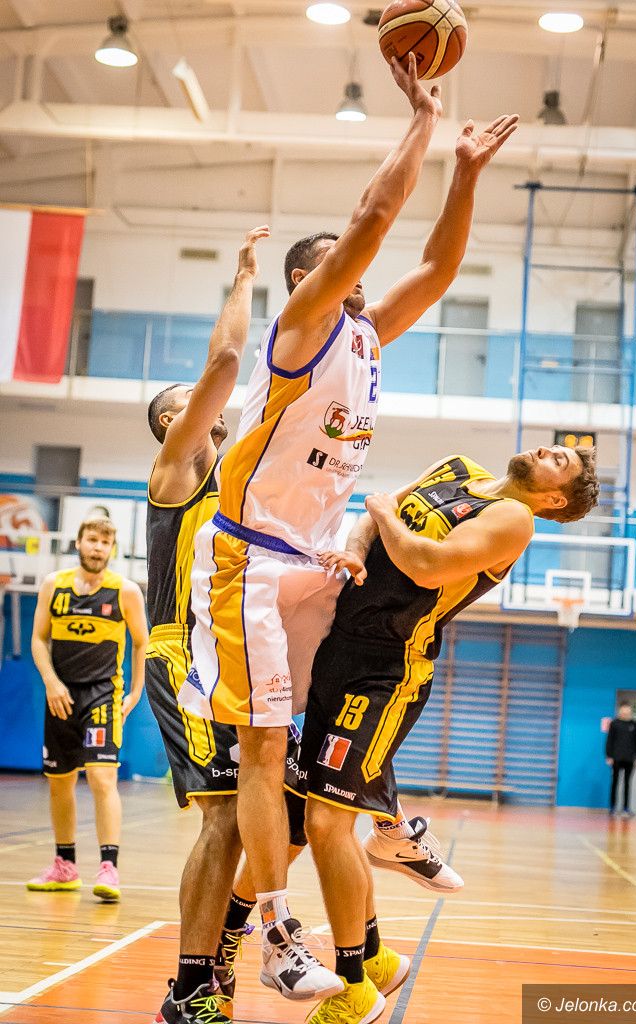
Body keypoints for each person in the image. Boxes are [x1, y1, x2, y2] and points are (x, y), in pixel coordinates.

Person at [178, 50, 518, 1002]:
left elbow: (438, 267)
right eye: (340, 265)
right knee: (261, 748)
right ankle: (278, 937)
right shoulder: (301, 329)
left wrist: (466, 173)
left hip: (316, 565)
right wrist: (423, 122)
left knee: (331, 722)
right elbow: (373, 220)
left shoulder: (366, 336)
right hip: (249, 562)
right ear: (310, 277)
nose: (362, 274)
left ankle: (387, 825)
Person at [294, 445, 600, 1023]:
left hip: (388, 668)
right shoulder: (457, 468)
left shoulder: (515, 519)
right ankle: (376, 957)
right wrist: (358, 545)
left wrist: (383, 513)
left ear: (555, 498)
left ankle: (354, 987)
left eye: (559, 461)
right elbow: (374, 515)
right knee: (329, 821)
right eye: (553, 446)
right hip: (340, 646)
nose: (545, 449)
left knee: (325, 822)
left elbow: (426, 565)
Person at [144, 227, 307, 1024]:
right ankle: (189, 988)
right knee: (221, 816)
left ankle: (229, 940)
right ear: (171, 424)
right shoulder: (176, 472)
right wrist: (245, 281)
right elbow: (226, 364)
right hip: (184, 657)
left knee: (288, 811)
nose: (198, 403)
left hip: (239, 650)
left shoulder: (241, 485)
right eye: (180, 403)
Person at [27, 516, 148, 902]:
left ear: (112, 549)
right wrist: (51, 682)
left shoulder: (125, 591)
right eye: (92, 540)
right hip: (60, 695)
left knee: (101, 777)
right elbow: (38, 639)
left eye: (105, 542)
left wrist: (136, 691)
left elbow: (142, 642)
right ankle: (65, 866)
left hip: (103, 696)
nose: (98, 547)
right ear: (78, 543)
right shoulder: (54, 585)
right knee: (59, 781)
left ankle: (109, 868)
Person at [606, 700, 636, 818]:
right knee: (615, 782)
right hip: (616, 758)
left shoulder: (634, 724)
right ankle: (612, 807)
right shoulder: (614, 723)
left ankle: (626, 808)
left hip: (630, 758)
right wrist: (609, 755)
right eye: (624, 709)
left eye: (628, 710)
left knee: (627, 783)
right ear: (620, 710)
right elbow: (609, 740)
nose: (626, 712)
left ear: (630, 711)